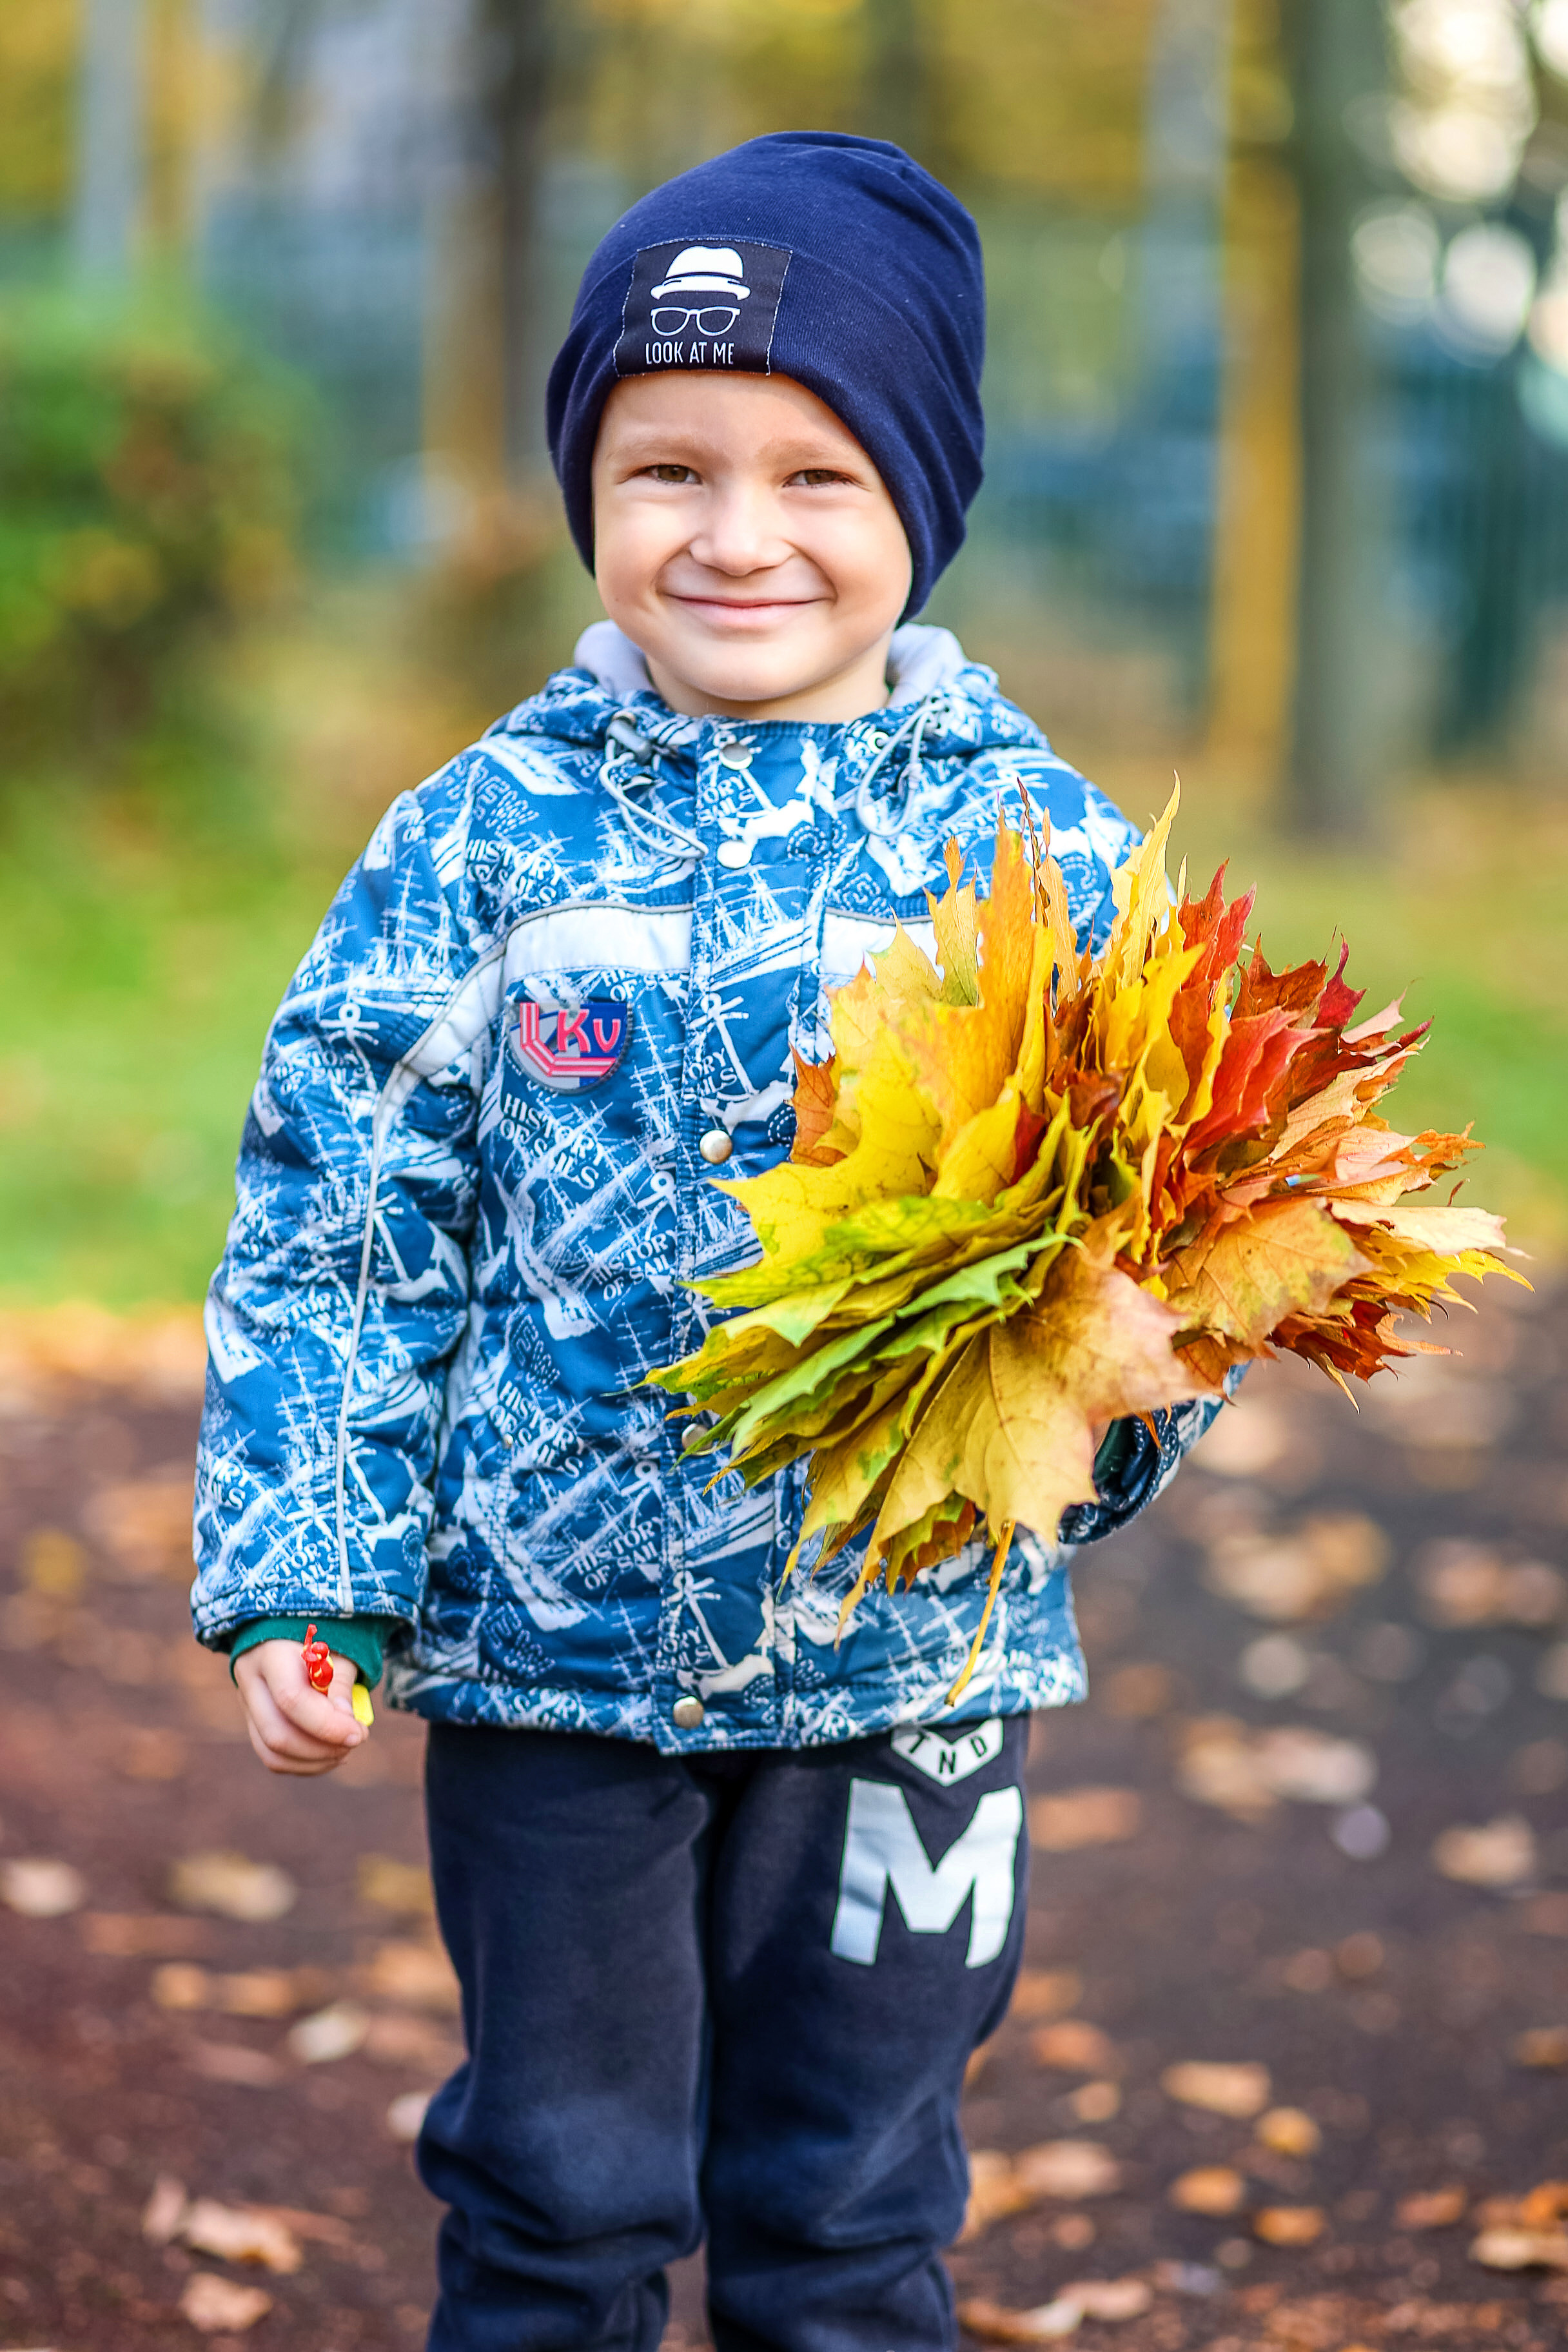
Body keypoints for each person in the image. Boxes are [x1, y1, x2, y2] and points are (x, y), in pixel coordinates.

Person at [193, 132, 1219, 2352]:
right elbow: (355, 1216)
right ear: (589, 487)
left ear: (921, 506)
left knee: (848, 2214)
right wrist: (310, 1563)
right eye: (667, 469)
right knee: (559, 2196)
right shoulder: (480, 837)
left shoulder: (1035, 853)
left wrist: (1114, 1425)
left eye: (817, 478)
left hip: (914, 1676)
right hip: (549, 1673)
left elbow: (1147, 1269)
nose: (735, 537)